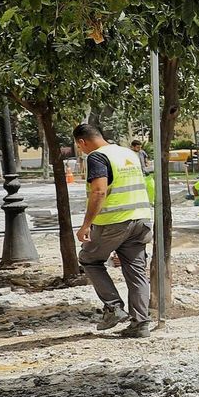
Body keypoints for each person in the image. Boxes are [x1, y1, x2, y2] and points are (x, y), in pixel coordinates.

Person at [73, 124, 155, 337]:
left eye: (79, 147)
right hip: (141, 219)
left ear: (82, 142)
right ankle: (141, 324)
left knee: (89, 259)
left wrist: (86, 225)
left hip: (114, 221)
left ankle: (114, 308)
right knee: (136, 272)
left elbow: (99, 191)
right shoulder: (128, 153)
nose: (81, 150)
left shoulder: (97, 157)